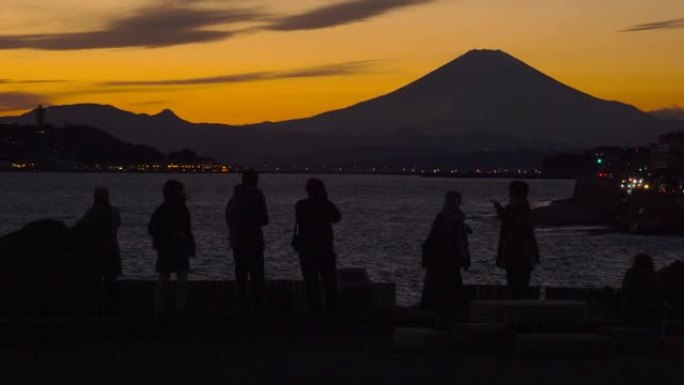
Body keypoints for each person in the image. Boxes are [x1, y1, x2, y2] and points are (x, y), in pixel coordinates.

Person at [294, 178, 341, 315]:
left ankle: (315, 308)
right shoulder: (326, 205)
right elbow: (337, 217)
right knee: (329, 281)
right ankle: (332, 309)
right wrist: (324, 200)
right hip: (325, 249)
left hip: (307, 249)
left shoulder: (301, 205)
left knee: (311, 281)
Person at [225, 169, 269, 312]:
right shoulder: (257, 195)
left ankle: (241, 303)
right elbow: (264, 219)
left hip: (237, 240)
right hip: (254, 240)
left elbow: (228, 219)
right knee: (257, 273)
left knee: (241, 273)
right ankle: (258, 304)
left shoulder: (234, 198)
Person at [149, 180, 195, 314]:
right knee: (170, 278)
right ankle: (164, 308)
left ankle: (169, 308)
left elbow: (187, 229)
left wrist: (189, 244)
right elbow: (153, 229)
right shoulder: (166, 211)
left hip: (176, 248)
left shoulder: (177, 209)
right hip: (169, 249)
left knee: (176, 279)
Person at [421, 191, 471, 312]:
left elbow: (431, 240)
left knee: (439, 286)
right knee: (449, 286)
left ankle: (436, 310)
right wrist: (465, 258)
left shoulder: (447, 218)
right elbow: (462, 243)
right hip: (447, 259)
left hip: (442, 259)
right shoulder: (458, 220)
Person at [74, 187, 121, 311]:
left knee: (94, 280)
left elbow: (79, 226)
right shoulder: (115, 211)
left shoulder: (91, 213)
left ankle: (95, 306)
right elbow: (117, 225)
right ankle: (113, 306)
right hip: (112, 249)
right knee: (111, 280)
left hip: (96, 250)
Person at [492, 181, 539, 299]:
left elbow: (513, 224)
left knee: (515, 285)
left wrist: (501, 211)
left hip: (516, 255)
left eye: (511, 193)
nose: (508, 196)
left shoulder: (516, 210)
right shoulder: (524, 209)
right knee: (520, 285)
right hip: (524, 255)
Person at [622, 254, 662, 327]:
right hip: (644, 312)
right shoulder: (650, 276)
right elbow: (656, 295)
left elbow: (624, 289)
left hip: (628, 312)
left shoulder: (630, 273)